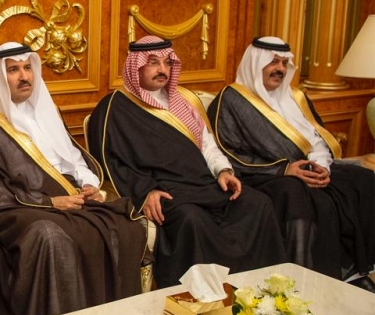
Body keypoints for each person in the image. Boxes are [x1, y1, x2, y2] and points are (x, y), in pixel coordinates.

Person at [0, 42, 148, 315]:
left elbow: (72, 159)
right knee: (49, 234)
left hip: (67, 198)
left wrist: (89, 184)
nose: (24, 76)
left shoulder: (46, 109)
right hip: (12, 208)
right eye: (13, 70)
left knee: (125, 227)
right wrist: (48, 204)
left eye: (27, 68)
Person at [87, 36, 287, 287]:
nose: (162, 69)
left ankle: (258, 290)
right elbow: (111, 164)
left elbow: (207, 144)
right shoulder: (114, 107)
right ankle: (201, 295)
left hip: (203, 184)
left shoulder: (182, 102)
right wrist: (145, 193)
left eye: (167, 62)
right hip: (166, 191)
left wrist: (223, 170)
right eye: (153, 62)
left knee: (257, 204)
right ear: (136, 66)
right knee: (192, 220)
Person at [208, 37, 375, 289]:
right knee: (301, 195)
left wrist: (321, 167)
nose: (280, 69)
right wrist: (284, 169)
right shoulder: (231, 99)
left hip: (308, 168)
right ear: (255, 63)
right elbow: (227, 154)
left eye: (284, 63)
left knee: (364, 179)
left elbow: (317, 139)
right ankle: (307, 282)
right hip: (263, 175)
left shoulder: (296, 96)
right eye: (273, 62)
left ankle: (357, 272)